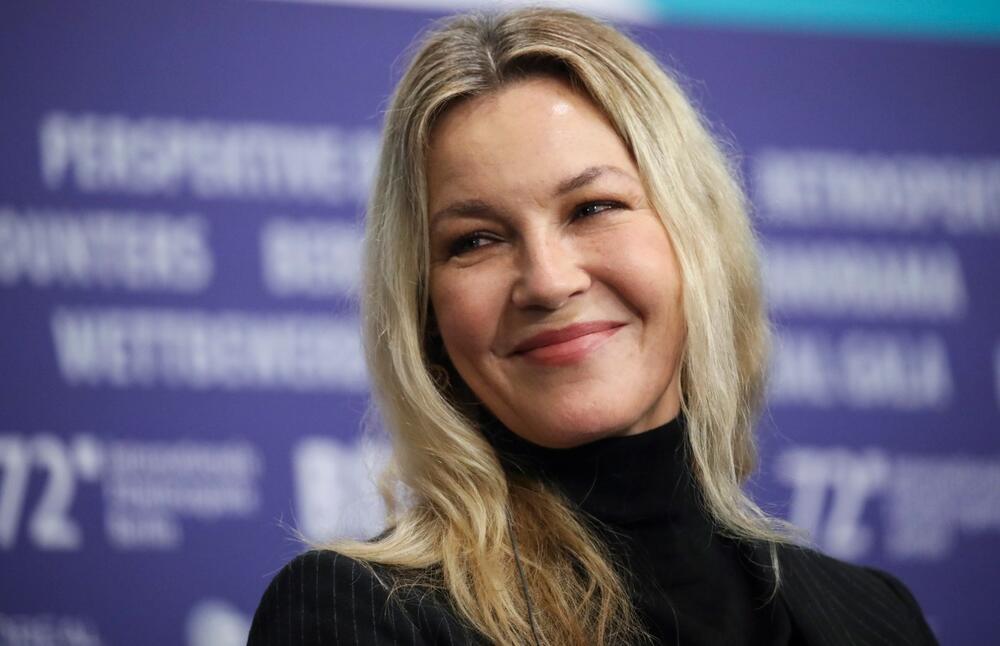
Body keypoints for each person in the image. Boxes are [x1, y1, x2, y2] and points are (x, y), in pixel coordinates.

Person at [248, 8, 938, 645]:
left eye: (592, 208)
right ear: (426, 312)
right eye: (476, 240)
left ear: (696, 237)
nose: (548, 281)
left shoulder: (877, 615)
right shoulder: (357, 613)